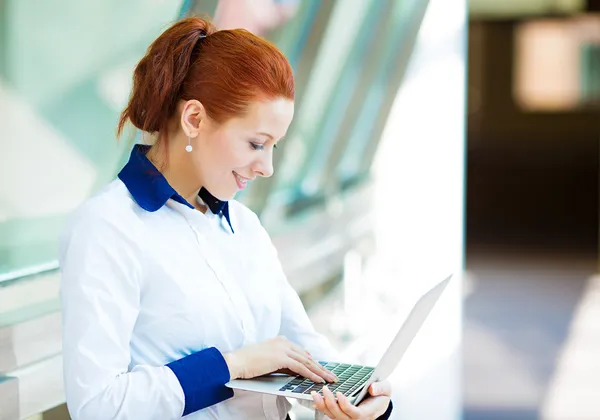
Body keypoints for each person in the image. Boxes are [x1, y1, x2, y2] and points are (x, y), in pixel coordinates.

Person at [59, 16, 393, 420]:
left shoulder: (244, 226)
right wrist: (234, 365)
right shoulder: (108, 228)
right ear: (194, 119)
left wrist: (361, 398)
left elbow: (305, 347)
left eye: (274, 146)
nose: (267, 167)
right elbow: (98, 407)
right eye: (256, 143)